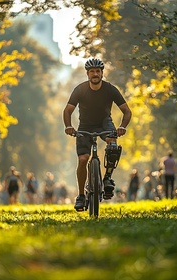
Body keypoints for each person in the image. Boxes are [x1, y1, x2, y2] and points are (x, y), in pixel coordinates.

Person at [63, 57, 132, 211]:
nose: (95, 74)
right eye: (92, 71)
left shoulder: (110, 89)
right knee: (83, 159)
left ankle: (107, 179)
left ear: (102, 73)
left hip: (104, 123)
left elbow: (127, 111)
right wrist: (68, 126)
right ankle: (81, 195)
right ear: (88, 74)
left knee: (113, 144)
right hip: (85, 125)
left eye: (98, 71)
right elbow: (67, 110)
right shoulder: (80, 89)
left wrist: (122, 126)